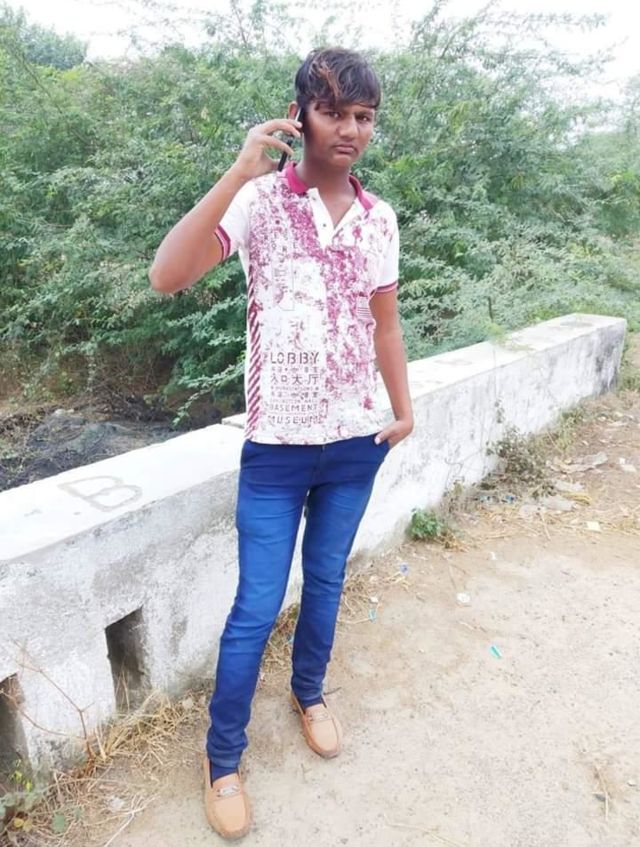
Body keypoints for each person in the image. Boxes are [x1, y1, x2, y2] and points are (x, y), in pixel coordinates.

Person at [149, 47, 413, 840]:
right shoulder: (260, 202)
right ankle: (223, 758)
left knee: (326, 580)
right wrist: (237, 171)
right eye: (334, 111)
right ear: (300, 116)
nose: (351, 129)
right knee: (257, 604)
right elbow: (167, 274)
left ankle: (310, 692)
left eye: (364, 116)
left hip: (355, 443)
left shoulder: (379, 218)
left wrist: (403, 411)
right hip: (276, 450)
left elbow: (385, 323)